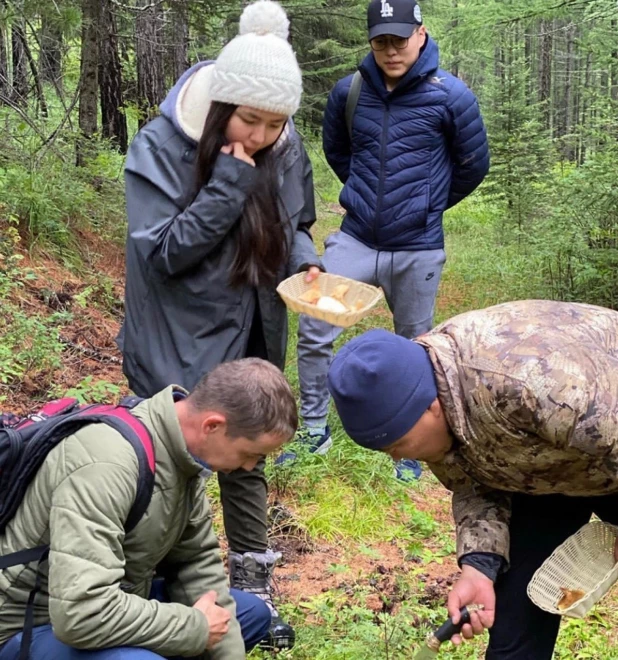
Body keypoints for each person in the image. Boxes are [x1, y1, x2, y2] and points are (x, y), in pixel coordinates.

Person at [116, 0, 321, 647]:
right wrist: (231, 178)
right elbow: (166, 251)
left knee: (248, 454)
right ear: (221, 106)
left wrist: (309, 263)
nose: (263, 135)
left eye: (276, 123)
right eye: (250, 119)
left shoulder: (284, 146)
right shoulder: (160, 147)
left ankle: (254, 592)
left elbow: (300, 222)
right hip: (175, 332)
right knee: (165, 456)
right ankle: (134, 585)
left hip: (250, 322)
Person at [327, 300, 618, 659]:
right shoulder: (423, 394)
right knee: (514, 623)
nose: (398, 457)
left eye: (398, 444)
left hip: (604, 442)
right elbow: (474, 478)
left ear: (431, 406)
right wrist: (479, 567)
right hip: (544, 467)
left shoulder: (530, 381)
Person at [290, 0, 489, 480]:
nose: (391, 50)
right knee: (316, 327)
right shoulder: (349, 91)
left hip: (418, 245)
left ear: (420, 34)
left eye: (399, 39)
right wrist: (362, 198)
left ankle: (413, 448)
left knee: (417, 346)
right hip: (356, 238)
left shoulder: (452, 96)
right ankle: (313, 430)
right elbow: (339, 150)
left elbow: (473, 165)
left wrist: (426, 205)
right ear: (370, 42)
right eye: (381, 40)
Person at [0, 359, 298, 660]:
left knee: (246, 615)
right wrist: (194, 628)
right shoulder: (106, 464)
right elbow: (81, 615)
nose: (248, 466)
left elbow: (197, 565)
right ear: (213, 426)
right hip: (30, 625)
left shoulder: (182, 455)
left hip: (113, 599)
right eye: (249, 454)